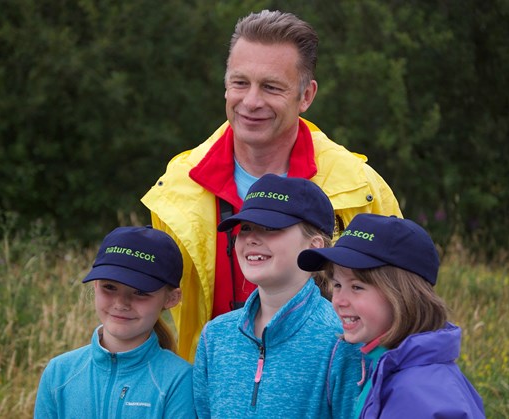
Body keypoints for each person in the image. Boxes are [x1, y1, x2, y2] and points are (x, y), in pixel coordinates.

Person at [141, 9, 403, 361]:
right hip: (214, 395)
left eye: (271, 87)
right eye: (240, 83)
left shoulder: (361, 189)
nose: (251, 102)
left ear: (306, 95)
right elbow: (149, 307)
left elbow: (404, 306)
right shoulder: (178, 188)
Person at [192, 174, 361, 417]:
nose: (250, 238)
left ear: (314, 247)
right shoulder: (216, 336)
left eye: (270, 228)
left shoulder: (341, 340)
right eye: (246, 227)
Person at [297, 214, 486, 418]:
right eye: (337, 285)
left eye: (357, 287)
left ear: (402, 295)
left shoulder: (417, 395)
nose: (339, 301)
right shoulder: (390, 370)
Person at [34, 226, 196, 418]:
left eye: (140, 292)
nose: (121, 303)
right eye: (109, 287)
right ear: (95, 286)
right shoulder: (59, 372)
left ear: (171, 298)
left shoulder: (180, 381)